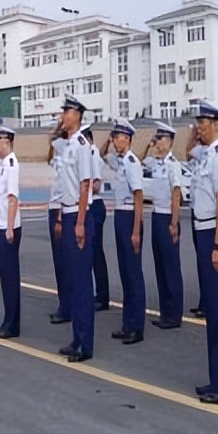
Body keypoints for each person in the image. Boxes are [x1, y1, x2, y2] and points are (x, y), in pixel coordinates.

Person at [189, 102, 218, 404]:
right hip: (202, 230)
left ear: (215, 123)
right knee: (213, 313)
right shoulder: (206, 153)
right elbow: (188, 148)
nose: (198, 127)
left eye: (202, 122)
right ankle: (216, 379)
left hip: (213, 234)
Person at [52, 96, 95, 363]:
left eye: (66, 111)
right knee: (73, 280)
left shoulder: (82, 145)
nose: (62, 115)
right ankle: (77, 338)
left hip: (80, 216)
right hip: (67, 214)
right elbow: (63, 185)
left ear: (77, 114)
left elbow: (84, 185)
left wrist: (79, 222)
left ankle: (85, 343)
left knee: (81, 281)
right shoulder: (67, 144)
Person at [101, 118, 146, 344]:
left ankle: (136, 326)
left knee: (133, 274)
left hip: (130, 217)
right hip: (120, 214)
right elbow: (102, 155)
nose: (114, 140)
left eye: (117, 137)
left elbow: (139, 197)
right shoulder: (120, 161)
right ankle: (128, 323)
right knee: (126, 274)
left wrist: (136, 230)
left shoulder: (132, 162)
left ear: (126, 138)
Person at [142, 122, 183, 329]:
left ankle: (174, 314)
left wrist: (174, 223)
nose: (158, 143)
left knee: (170, 268)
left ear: (170, 142)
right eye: (157, 139)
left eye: (161, 139)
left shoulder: (172, 165)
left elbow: (176, 194)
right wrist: (148, 145)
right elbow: (138, 161)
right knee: (160, 266)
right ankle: (165, 312)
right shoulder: (155, 162)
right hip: (157, 216)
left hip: (168, 218)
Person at [0, 125, 22, 339]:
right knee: (5, 277)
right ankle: (7, 320)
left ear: (6, 141)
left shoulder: (11, 165)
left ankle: (12, 324)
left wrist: (10, 227)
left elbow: (12, 199)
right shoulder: (2, 165)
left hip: (6, 228)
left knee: (10, 277)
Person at [46, 125, 72, 325]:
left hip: (60, 209)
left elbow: (65, 188)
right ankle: (64, 304)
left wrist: (61, 218)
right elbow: (48, 158)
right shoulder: (58, 151)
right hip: (54, 207)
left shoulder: (66, 151)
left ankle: (67, 307)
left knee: (64, 261)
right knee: (59, 261)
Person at [84, 126, 111, 311]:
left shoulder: (92, 152)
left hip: (95, 205)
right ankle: (100, 294)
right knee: (93, 253)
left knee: (96, 253)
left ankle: (102, 296)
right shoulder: (92, 152)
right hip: (90, 205)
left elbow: (96, 184)